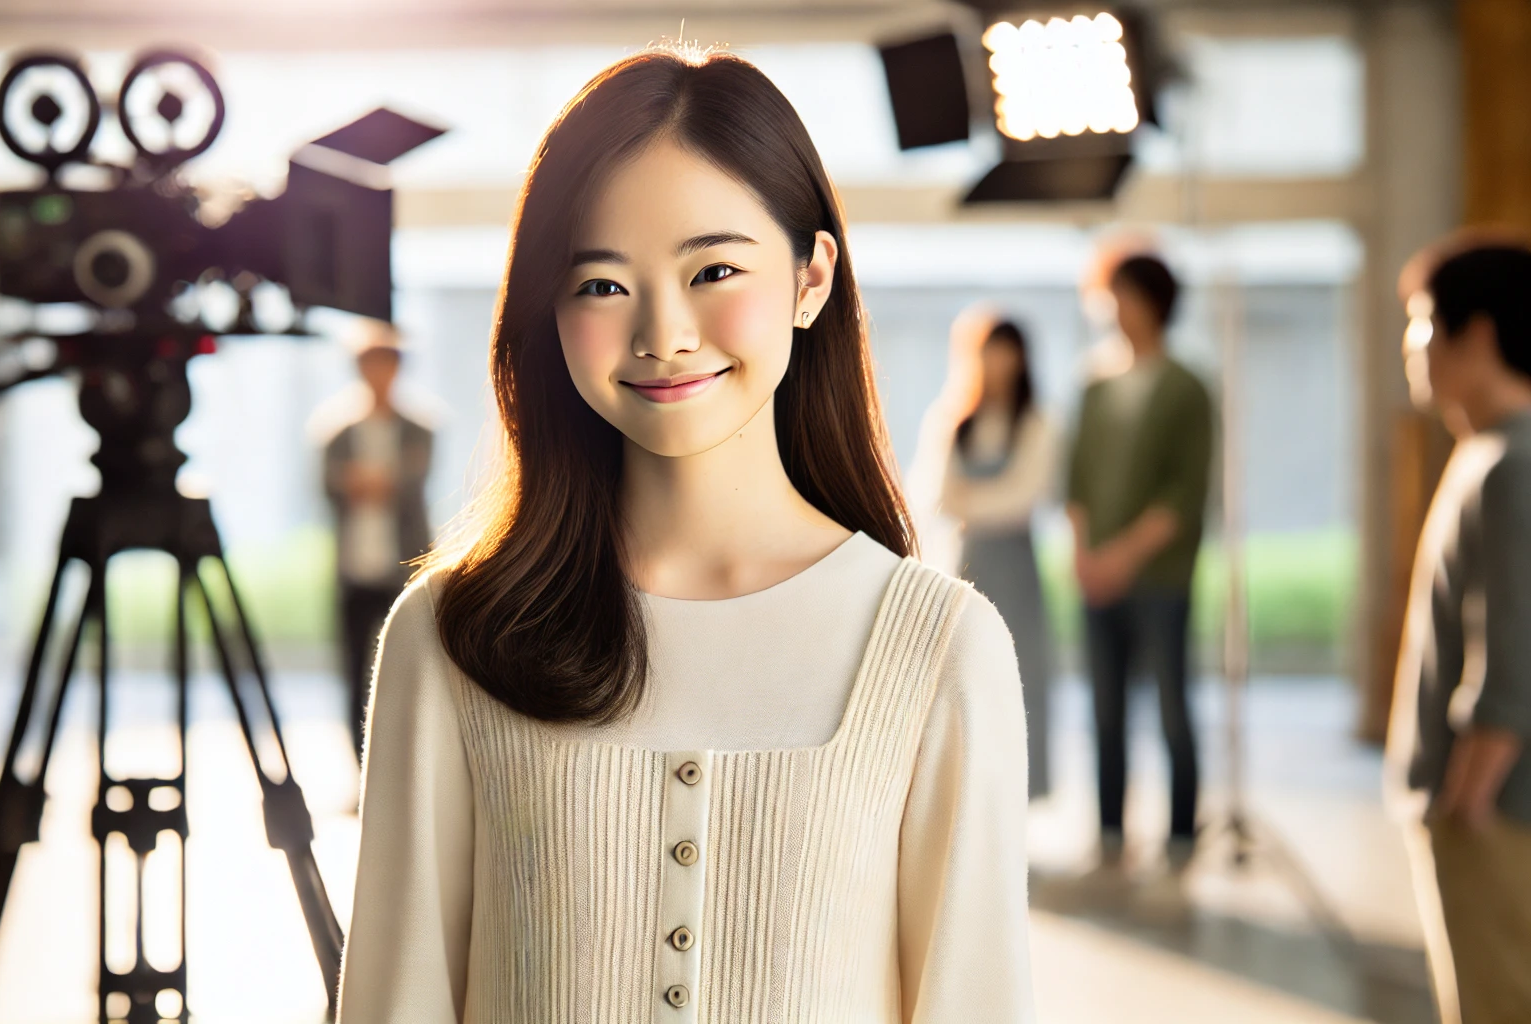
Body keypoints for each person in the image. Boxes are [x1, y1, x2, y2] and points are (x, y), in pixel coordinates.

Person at [339, 47, 1033, 1021]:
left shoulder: (937, 647)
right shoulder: (450, 635)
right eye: (601, 284)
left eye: (713, 268)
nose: (663, 332)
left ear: (809, 276)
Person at [1386, 239, 1531, 1024]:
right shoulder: (1487, 452)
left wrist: (1466, 796)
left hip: (1498, 810)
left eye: (1422, 327)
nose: (1413, 348)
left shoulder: (1516, 462)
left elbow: (1514, 644)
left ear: (1476, 335)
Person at [1066, 253, 1214, 866]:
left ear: (1153, 301)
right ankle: (1109, 831)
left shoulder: (1187, 388)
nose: (1111, 309)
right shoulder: (1095, 385)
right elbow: (1075, 481)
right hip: (1097, 575)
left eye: (1121, 295)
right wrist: (1084, 556)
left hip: (1158, 576)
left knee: (1173, 708)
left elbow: (1183, 494)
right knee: (1104, 710)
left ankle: (1181, 833)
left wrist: (1121, 557)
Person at [941, 317, 1058, 799]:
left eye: (1008, 352)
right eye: (990, 351)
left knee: (1021, 681)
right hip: (966, 567)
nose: (999, 363)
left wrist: (974, 499)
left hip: (1016, 569)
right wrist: (983, 499)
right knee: (966, 689)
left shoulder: (1037, 423)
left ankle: (1019, 804)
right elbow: (942, 497)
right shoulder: (956, 421)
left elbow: (1025, 497)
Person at [322, 322, 432, 763]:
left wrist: (370, 482)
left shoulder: (418, 428)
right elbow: (332, 487)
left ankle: (404, 768)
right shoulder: (337, 432)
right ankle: (359, 770)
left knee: (407, 674)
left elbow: (407, 484)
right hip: (354, 569)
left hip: (402, 569)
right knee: (354, 676)